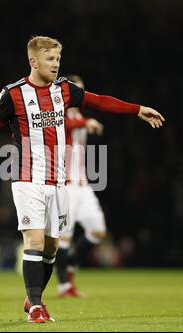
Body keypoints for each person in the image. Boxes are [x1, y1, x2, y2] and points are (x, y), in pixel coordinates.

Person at [0, 35, 165, 324]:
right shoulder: (13, 94)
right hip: (27, 178)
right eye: (50, 59)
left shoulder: (64, 89)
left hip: (58, 181)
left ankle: (33, 296)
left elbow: (99, 101)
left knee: (52, 247)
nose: (55, 64)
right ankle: (38, 306)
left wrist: (137, 109)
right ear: (33, 61)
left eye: (58, 59)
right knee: (35, 240)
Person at [55, 75, 108, 297]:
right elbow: (64, 126)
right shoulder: (56, 113)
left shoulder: (79, 115)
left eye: (82, 91)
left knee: (97, 230)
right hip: (65, 186)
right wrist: (86, 123)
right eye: (76, 91)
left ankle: (69, 265)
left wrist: (91, 127)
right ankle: (64, 286)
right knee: (64, 238)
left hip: (83, 186)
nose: (80, 95)